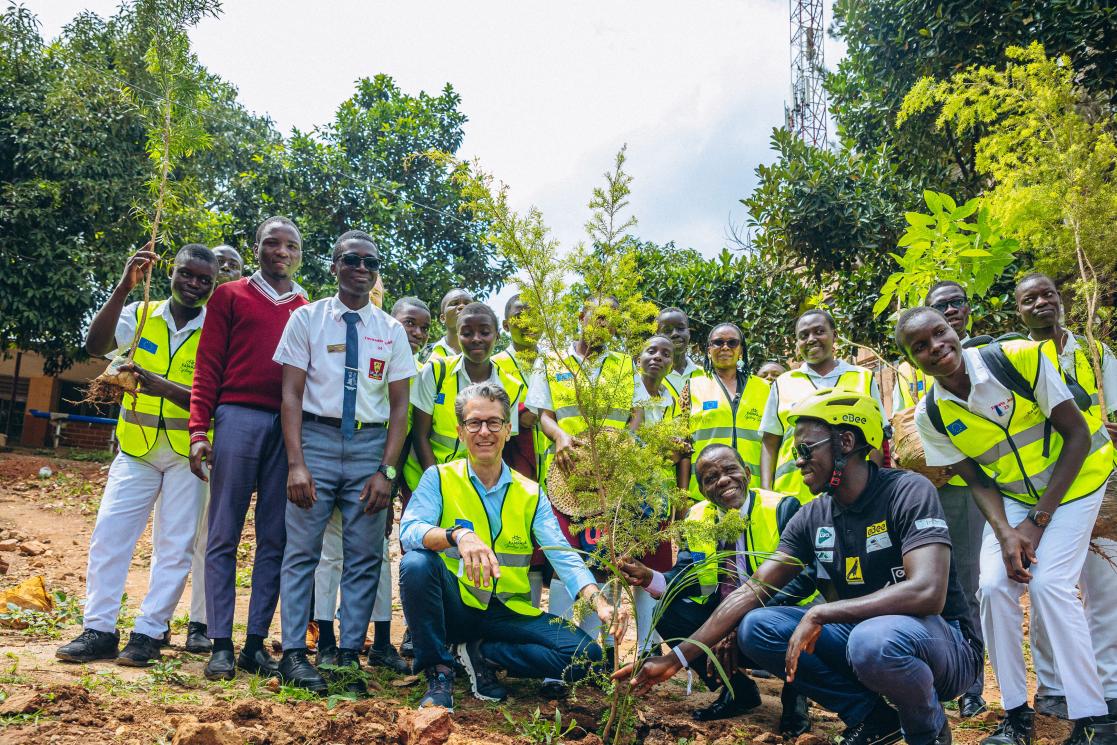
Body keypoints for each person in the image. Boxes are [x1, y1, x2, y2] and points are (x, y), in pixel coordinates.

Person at [617, 389, 984, 745]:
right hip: (864, 638)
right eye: (796, 452)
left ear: (845, 442)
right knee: (757, 626)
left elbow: (927, 592)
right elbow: (753, 590)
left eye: (806, 450)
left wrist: (822, 613)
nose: (797, 461)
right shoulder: (813, 517)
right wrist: (676, 658)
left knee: (872, 641)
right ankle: (872, 716)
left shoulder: (908, 491)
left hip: (944, 643)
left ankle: (927, 732)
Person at [897, 307, 1117, 745]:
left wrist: (1037, 522)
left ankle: (1096, 719)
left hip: (1082, 478)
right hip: (1015, 497)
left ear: (954, 330)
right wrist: (1005, 532)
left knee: (1049, 585)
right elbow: (977, 479)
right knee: (994, 587)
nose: (936, 347)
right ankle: (1017, 717)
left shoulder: (1018, 357)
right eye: (920, 346)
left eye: (940, 333)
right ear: (911, 359)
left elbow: (1076, 435)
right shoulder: (932, 414)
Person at [398, 382, 626, 710]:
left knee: (587, 658)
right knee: (416, 564)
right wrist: (457, 536)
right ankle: (440, 672)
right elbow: (409, 531)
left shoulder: (531, 493)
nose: (484, 432)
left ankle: (482, 654)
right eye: (474, 423)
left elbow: (563, 556)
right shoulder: (439, 478)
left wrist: (600, 604)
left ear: (508, 430)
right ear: (461, 431)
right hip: (455, 606)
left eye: (493, 423)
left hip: (507, 611)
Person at [57, 244, 218, 666]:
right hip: (136, 450)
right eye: (187, 274)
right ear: (172, 272)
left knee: (175, 546)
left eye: (205, 279)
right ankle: (98, 629)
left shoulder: (218, 328)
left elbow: (215, 397)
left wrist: (162, 386)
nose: (194, 285)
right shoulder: (144, 312)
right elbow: (95, 345)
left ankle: (148, 633)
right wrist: (124, 287)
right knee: (110, 536)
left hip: (189, 455)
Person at [271, 230, 414, 693]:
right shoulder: (306, 319)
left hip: (369, 449)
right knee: (301, 554)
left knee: (364, 557)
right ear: (333, 266)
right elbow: (290, 395)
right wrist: (296, 463)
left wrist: (386, 472)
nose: (361, 269)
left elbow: (399, 410)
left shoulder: (391, 331)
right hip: (315, 441)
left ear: (376, 273)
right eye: (351, 260)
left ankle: (348, 657)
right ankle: (295, 654)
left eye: (370, 263)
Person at [618, 444, 815, 732]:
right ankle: (737, 691)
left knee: (756, 623)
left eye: (730, 470)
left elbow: (806, 577)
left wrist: (741, 619)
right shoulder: (697, 519)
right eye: (710, 478)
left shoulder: (783, 508)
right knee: (667, 611)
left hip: (780, 615)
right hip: (726, 617)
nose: (722, 480)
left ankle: (795, 697)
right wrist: (649, 577)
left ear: (747, 473)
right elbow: (688, 577)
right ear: (703, 489)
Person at [189, 216, 309, 681]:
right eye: (272, 243)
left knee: (275, 537)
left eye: (291, 245)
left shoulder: (306, 308)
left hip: (288, 427)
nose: (281, 251)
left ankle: (255, 644)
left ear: (300, 254)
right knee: (223, 531)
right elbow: (207, 367)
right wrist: (200, 431)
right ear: (256, 248)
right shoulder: (229, 295)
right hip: (236, 417)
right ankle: (220, 642)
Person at [1015, 273, 1117, 719]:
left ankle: (1108, 684)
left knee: (1105, 588)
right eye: (1029, 299)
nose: (1041, 303)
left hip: (1098, 483)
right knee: (1046, 588)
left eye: (1048, 295)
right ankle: (1053, 687)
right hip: (1044, 490)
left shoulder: (1094, 353)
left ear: (1061, 301)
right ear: (1017, 310)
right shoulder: (1013, 359)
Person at [889, 281, 989, 718]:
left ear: (966, 311)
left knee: (967, 586)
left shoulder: (987, 357)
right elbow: (899, 429)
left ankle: (972, 686)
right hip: (922, 491)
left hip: (968, 489)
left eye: (955, 304)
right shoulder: (905, 371)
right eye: (938, 306)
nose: (949, 312)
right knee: (927, 586)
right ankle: (934, 677)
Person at [760, 309, 886, 503]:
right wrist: (768, 495)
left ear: (834, 335)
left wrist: (873, 488)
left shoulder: (862, 378)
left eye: (819, 331)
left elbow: (876, 439)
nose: (811, 339)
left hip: (854, 492)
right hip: (794, 498)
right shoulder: (782, 383)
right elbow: (769, 443)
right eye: (803, 336)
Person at [412, 302, 524, 472]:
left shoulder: (512, 387)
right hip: (428, 474)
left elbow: (502, 444)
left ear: (497, 336)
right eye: (467, 333)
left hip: (476, 482)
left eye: (485, 332)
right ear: (458, 336)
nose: (476, 339)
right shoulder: (435, 372)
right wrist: (436, 482)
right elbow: (420, 435)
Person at [686, 323, 770, 501]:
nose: (725, 347)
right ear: (709, 350)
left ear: (741, 350)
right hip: (704, 491)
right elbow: (683, 446)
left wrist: (767, 489)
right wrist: (683, 496)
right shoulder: (693, 386)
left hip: (752, 490)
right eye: (718, 342)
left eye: (732, 343)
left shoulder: (763, 388)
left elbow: (771, 441)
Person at [493, 294, 546, 481]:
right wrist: (518, 415)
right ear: (506, 325)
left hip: (555, 467)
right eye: (520, 316)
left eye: (534, 316)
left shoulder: (557, 364)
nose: (528, 322)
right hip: (513, 465)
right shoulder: (493, 366)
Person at [656, 307, 703, 392]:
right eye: (667, 330)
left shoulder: (706, 375)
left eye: (680, 328)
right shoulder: (649, 378)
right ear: (657, 336)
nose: (675, 334)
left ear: (689, 333)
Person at [426, 288, 474, 360]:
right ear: (443, 318)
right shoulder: (424, 355)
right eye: (454, 303)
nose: (462, 306)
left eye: (467, 304)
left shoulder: (486, 356)